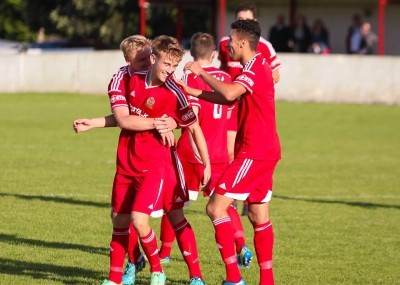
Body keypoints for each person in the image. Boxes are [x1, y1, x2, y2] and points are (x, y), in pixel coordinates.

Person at [76, 35, 210, 285]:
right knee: (120, 219)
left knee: (173, 215)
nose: (166, 70)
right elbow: (125, 118)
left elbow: (192, 123)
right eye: (141, 60)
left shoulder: (172, 88)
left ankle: (190, 275)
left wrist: (206, 162)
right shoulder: (125, 79)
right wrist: (159, 122)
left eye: (173, 66)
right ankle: (122, 272)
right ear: (133, 61)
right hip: (127, 161)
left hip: (161, 163)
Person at [176, 19, 281, 285]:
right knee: (258, 215)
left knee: (215, 207)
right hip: (264, 150)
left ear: (243, 42)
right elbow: (229, 97)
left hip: (253, 152)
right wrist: (194, 91)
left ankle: (234, 279)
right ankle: (266, 281)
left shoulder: (256, 67)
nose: (228, 45)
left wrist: (201, 72)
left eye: (232, 40)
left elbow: (231, 91)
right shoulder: (254, 67)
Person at [158, 32, 253, 270]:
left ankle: (165, 253)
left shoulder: (190, 76)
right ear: (213, 54)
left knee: (174, 204)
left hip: (191, 153)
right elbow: (232, 121)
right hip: (220, 154)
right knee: (224, 206)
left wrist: (194, 149)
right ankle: (241, 246)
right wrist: (230, 152)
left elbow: (193, 118)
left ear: (192, 54)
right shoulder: (226, 79)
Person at [219, 2, 281, 84]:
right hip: (230, 93)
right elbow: (223, 68)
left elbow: (275, 76)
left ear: (255, 21)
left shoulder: (265, 46)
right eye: (240, 19)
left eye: (247, 20)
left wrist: (252, 84)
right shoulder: (225, 43)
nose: (243, 24)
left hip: (249, 95)